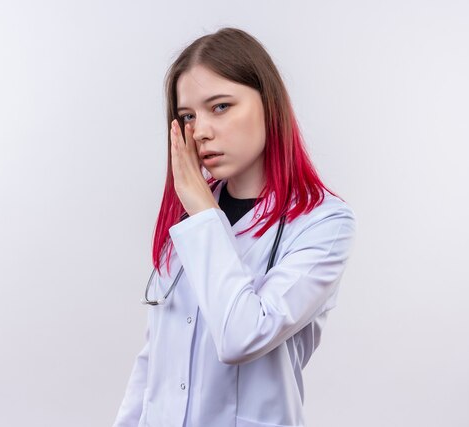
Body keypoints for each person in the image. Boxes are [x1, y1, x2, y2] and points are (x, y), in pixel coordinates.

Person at [113, 27, 357, 427]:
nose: (202, 130)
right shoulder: (188, 219)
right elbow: (154, 362)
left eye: (221, 106)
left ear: (270, 104)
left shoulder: (324, 224)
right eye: (187, 116)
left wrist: (204, 214)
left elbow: (241, 336)